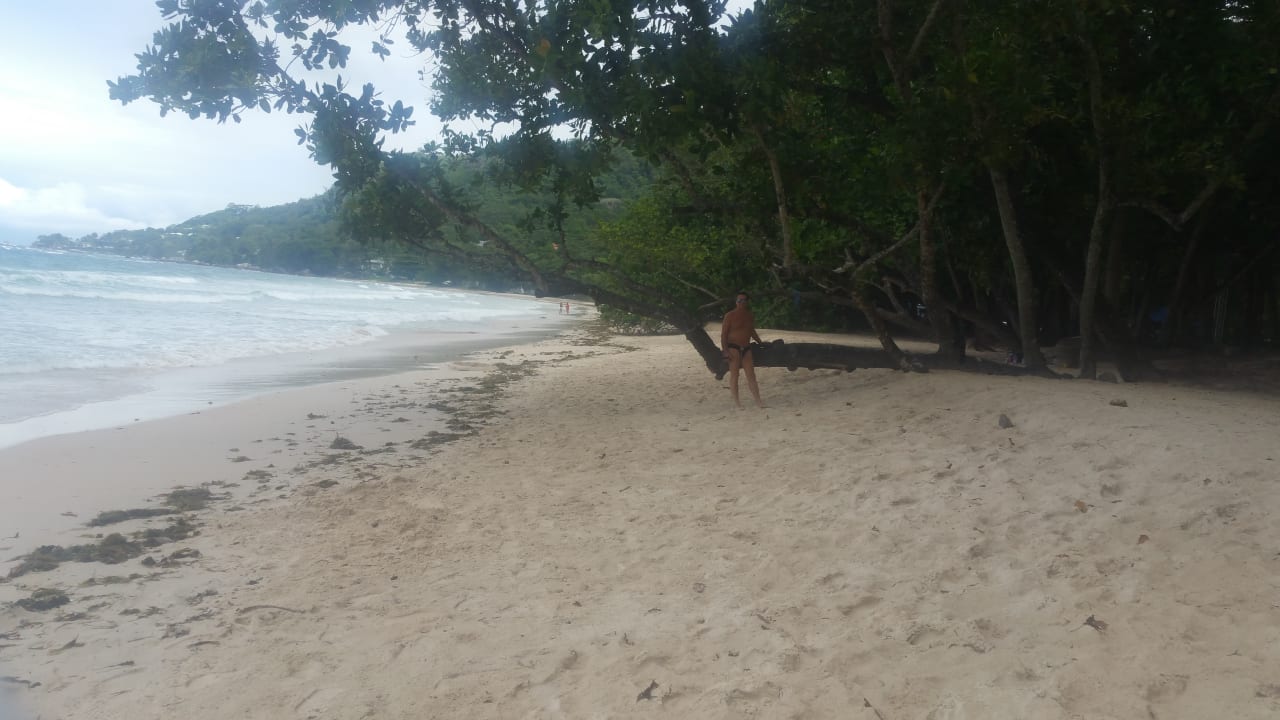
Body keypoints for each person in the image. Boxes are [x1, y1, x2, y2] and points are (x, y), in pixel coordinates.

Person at [721, 291, 765, 408]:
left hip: (746, 348)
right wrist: (725, 351)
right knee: (735, 375)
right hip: (733, 348)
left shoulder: (749, 315)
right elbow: (724, 334)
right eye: (738, 300)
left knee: (751, 375)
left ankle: (758, 401)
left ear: (747, 302)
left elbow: (751, 331)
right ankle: (738, 403)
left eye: (743, 300)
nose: (740, 302)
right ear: (736, 302)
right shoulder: (729, 315)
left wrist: (760, 342)